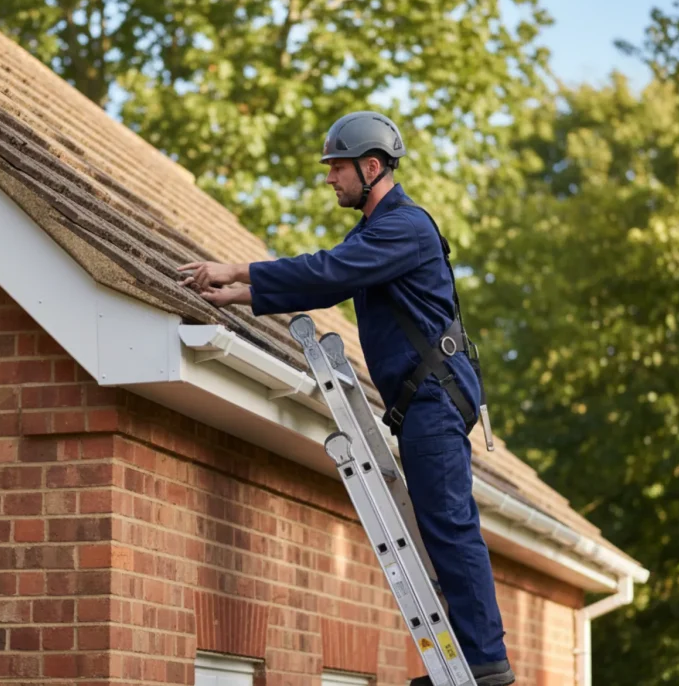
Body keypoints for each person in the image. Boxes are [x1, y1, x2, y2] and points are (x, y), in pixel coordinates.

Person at [178, 111, 515, 686]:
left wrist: (238, 268)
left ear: (373, 166)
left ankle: (483, 664)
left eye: (337, 168)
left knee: (449, 524)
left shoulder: (404, 227)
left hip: (434, 397)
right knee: (439, 526)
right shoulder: (373, 234)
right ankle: (467, 657)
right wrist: (241, 291)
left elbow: (331, 270)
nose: (330, 179)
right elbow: (330, 277)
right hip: (425, 399)